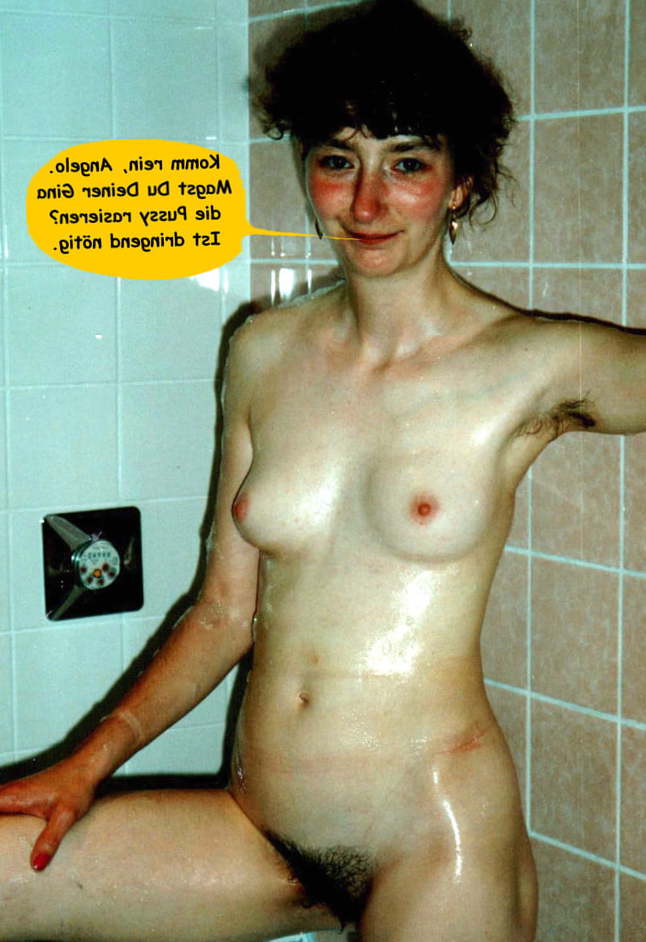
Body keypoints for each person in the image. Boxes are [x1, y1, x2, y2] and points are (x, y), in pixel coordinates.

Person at [0, 1, 644, 940]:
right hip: (259, 826)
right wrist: (88, 761)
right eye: (339, 161)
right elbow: (223, 612)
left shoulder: (534, 365)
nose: (366, 204)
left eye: (407, 164)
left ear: (461, 183)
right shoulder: (262, 351)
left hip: (432, 837)